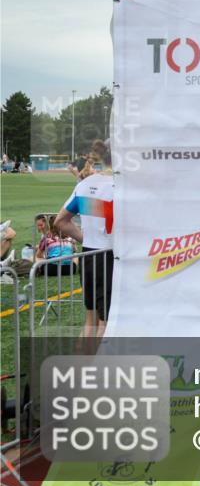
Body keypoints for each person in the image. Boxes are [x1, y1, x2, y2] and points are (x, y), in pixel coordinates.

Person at [55, 139, 114, 343]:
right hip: (111, 258)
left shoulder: (85, 184)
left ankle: (79, 371)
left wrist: (86, 238)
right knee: (106, 323)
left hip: (89, 255)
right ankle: (96, 373)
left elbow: (60, 221)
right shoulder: (124, 186)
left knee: (90, 321)